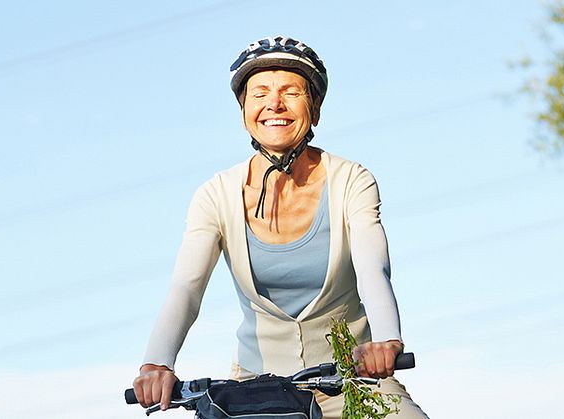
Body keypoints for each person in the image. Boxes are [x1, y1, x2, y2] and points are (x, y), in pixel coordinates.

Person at [132, 35, 428, 418]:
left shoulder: (352, 180)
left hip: (355, 377)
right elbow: (186, 287)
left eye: (290, 91)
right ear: (243, 112)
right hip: (257, 387)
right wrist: (156, 362)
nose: (274, 103)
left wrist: (385, 341)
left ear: (315, 111)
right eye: (259, 94)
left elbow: (374, 269)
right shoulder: (216, 194)